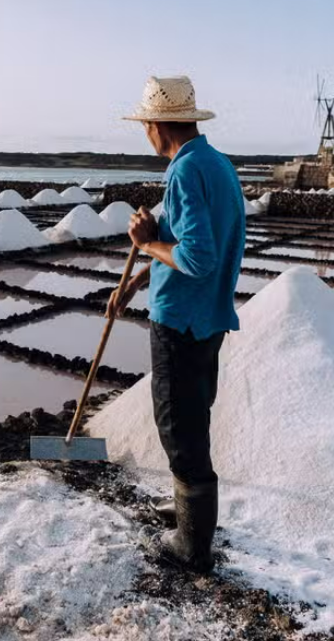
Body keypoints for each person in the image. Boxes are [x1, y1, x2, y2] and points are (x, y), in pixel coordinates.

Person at [106, 75, 245, 573]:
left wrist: (145, 244)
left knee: (178, 425)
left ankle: (192, 546)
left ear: (157, 125)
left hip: (181, 323)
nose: (144, 133)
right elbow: (178, 243)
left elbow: (196, 257)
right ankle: (189, 515)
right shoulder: (215, 165)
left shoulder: (184, 173)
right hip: (206, 320)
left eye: (145, 124)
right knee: (192, 416)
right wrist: (133, 282)